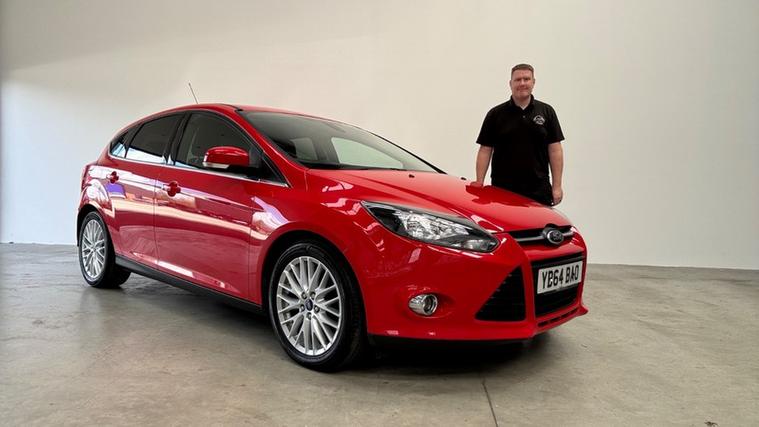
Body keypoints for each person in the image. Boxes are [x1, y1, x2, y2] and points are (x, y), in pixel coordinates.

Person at [474, 63, 565, 206]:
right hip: (502, 190)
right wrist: (479, 182)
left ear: (533, 82)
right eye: (517, 80)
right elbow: (485, 150)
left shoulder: (547, 112)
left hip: (539, 189)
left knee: (539, 221)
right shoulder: (495, 114)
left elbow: (555, 150)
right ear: (510, 83)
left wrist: (557, 186)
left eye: (526, 79)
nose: (522, 83)